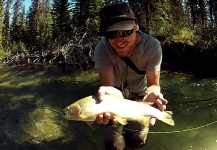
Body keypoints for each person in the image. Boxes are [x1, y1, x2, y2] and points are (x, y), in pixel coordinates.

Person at [94, 2, 168, 150]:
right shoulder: (102, 49)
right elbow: (107, 87)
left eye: (125, 32)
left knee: (138, 138)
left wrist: (153, 93)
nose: (119, 40)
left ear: (136, 26)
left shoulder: (152, 46)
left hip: (141, 96)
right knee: (113, 142)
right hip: (114, 100)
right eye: (111, 34)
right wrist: (107, 99)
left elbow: (153, 84)